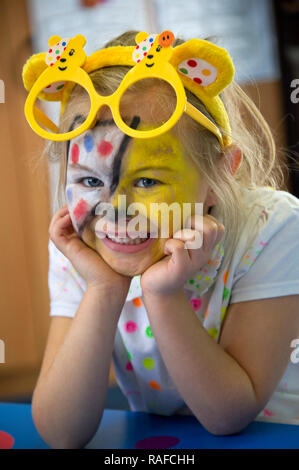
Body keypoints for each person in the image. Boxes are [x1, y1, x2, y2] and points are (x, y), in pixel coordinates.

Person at [22, 30, 299, 449]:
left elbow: (229, 416)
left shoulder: (271, 228)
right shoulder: (81, 245)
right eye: (90, 180)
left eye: (148, 180)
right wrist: (101, 289)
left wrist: (163, 295)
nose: (113, 209)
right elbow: (61, 433)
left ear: (219, 175)